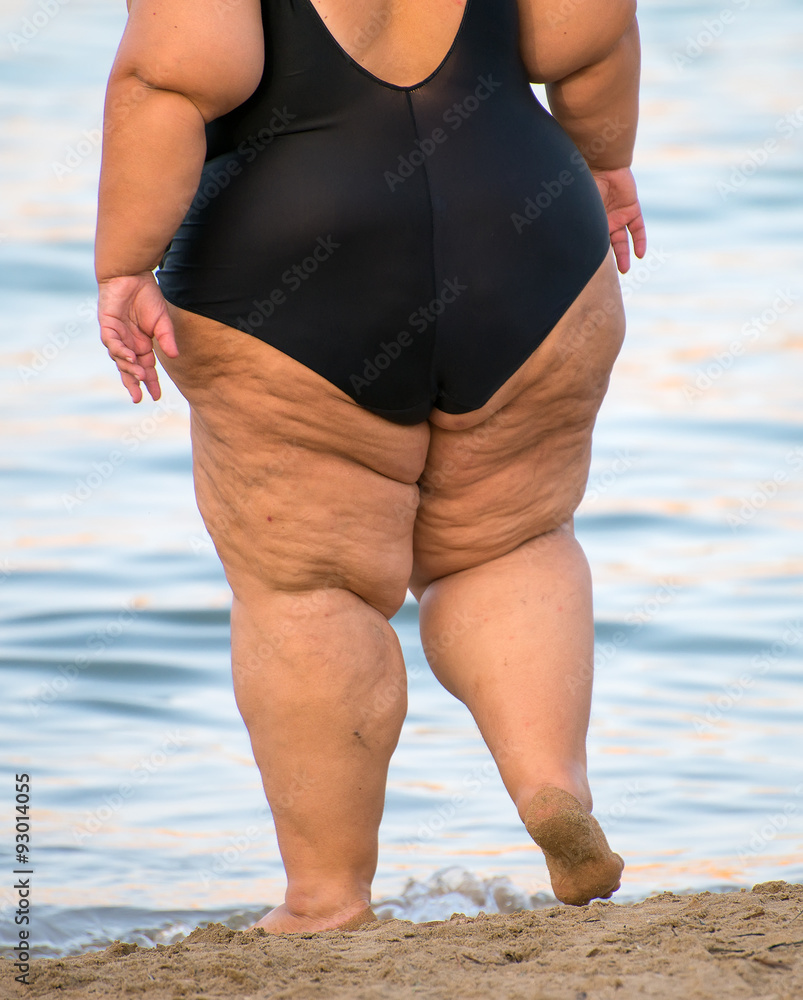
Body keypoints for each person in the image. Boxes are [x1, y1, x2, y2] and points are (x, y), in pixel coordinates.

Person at [96, 0, 646, 933]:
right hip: (521, 215)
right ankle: (550, 784)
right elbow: (586, 32)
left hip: (293, 240)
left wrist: (125, 261)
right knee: (507, 538)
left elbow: (170, 73)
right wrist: (603, 158)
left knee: (307, 585)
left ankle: (325, 899)